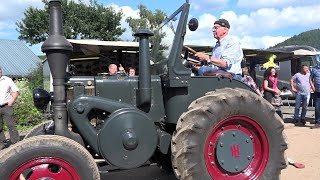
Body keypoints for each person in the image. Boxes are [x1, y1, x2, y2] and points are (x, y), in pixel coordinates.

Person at [0, 66, 19, 150]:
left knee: (11, 125)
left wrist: (12, 101)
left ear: (1, 71)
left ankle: (16, 143)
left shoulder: (7, 80)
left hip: (6, 106)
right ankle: (2, 143)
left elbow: (15, 91)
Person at [310, 64, 320, 128]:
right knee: (317, 108)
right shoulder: (314, 69)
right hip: (317, 91)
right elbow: (310, 79)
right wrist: (312, 86)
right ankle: (317, 122)